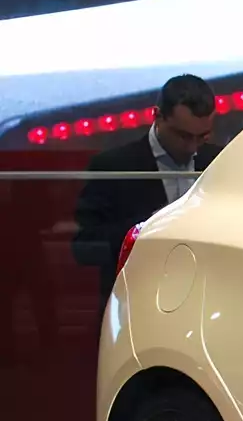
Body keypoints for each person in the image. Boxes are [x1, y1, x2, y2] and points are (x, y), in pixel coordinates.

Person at [73, 75, 220, 308]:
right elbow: (85, 247)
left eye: (202, 137)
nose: (192, 147)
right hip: (136, 298)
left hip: (208, 296)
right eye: (183, 136)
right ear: (157, 116)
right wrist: (149, 225)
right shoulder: (113, 166)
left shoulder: (220, 161)